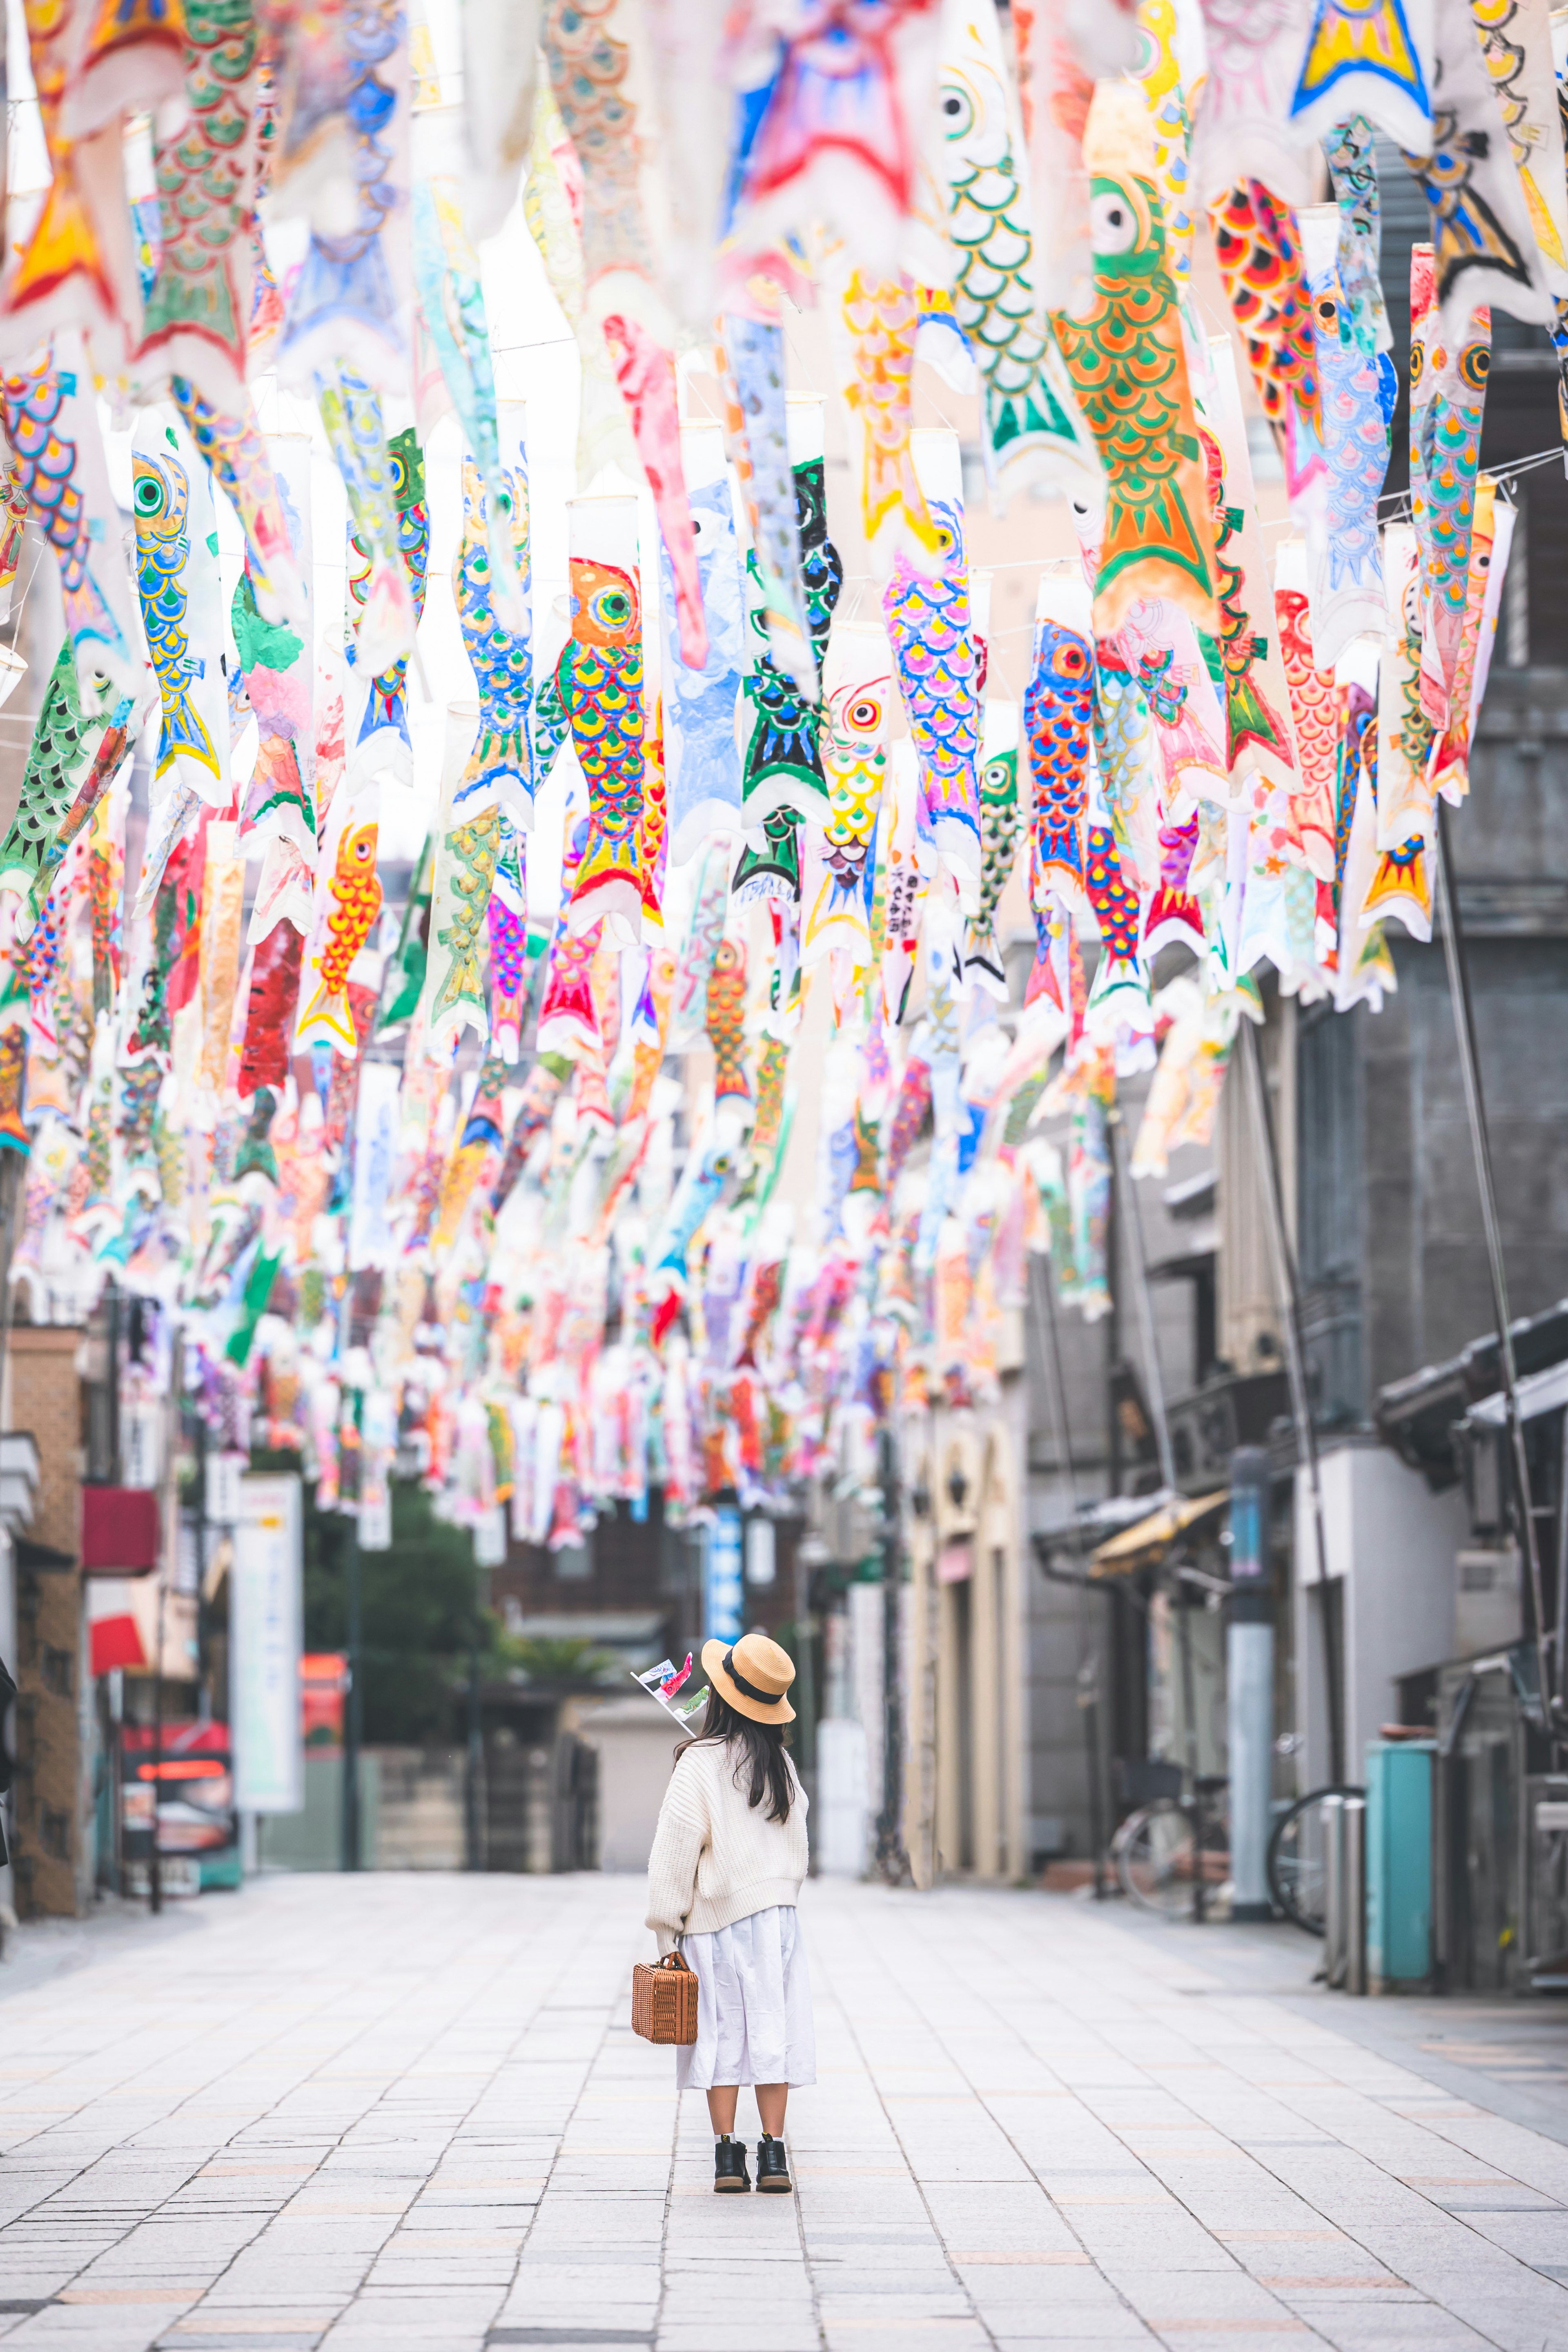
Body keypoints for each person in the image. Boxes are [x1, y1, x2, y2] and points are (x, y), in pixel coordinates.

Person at [645, 1631, 813, 2196]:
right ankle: (774, 2154)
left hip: (717, 1922)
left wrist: (668, 1926)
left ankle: (726, 2157)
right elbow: (798, 1850)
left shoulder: (699, 1763)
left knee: (720, 2036)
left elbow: (674, 1853)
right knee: (773, 2031)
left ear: (719, 1696)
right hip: (778, 1922)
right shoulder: (783, 1766)